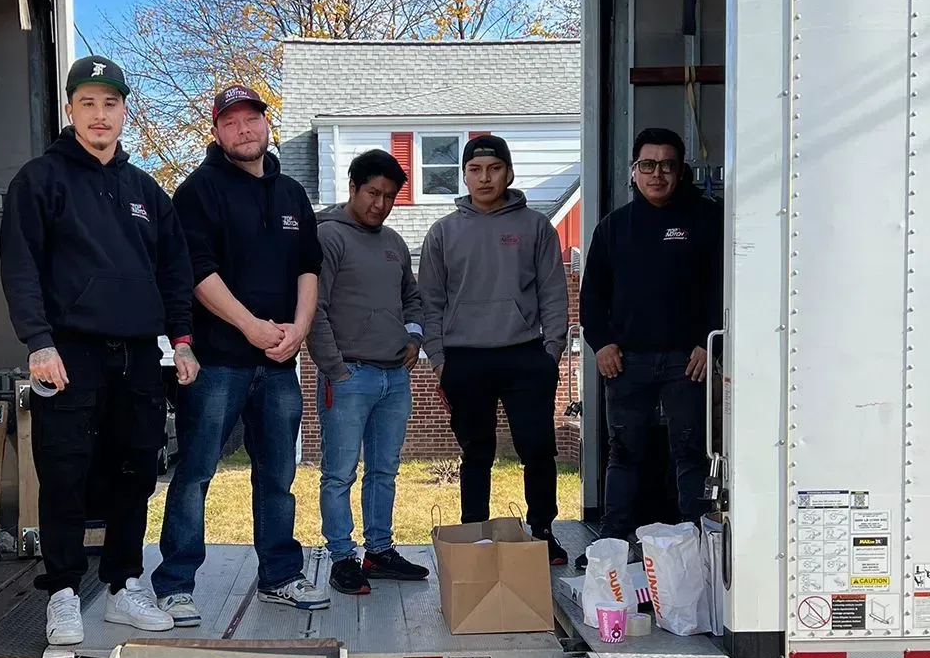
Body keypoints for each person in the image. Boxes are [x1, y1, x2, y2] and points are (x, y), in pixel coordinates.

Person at [0, 54, 197, 648]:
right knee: (64, 471)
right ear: (69, 109)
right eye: (87, 103)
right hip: (68, 353)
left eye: (110, 104)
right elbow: (20, 268)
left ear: (124, 111)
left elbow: (175, 272)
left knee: (134, 473)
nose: (100, 114)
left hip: (138, 354)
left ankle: (122, 586)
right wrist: (38, 342)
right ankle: (62, 591)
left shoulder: (145, 192)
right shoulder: (40, 180)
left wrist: (182, 341)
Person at [151, 85, 327, 621]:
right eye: (232, 123)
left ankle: (280, 574)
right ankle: (176, 581)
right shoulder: (198, 192)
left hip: (278, 364)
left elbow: (308, 268)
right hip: (219, 362)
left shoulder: (292, 194)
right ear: (217, 132)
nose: (244, 130)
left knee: (277, 475)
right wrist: (250, 327)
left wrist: (299, 329)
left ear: (267, 125)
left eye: (252, 119)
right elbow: (196, 272)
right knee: (197, 472)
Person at [419, 135, 570, 565]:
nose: (484, 178)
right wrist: (438, 358)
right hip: (465, 358)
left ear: (509, 172)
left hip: (526, 355)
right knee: (476, 452)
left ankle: (542, 530)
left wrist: (552, 351)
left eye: (493, 169)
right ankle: (475, 535)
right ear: (464, 176)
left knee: (537, 448)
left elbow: (553, 293)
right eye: (475, 170)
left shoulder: (535, 227)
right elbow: (430, 300)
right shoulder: (443, 232)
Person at [578, 127, 723, 547]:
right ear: (633, 172)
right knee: (623, 455)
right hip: (626, 361)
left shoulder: (707, 221)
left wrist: (707, 341)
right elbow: (592, 298)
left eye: (666, 165)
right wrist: (601, 343)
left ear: (681, 172)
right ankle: (612, 541)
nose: (656, 174)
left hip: (688, 361)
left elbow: (725, 287)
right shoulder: (613, 228)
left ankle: (695, 545)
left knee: (690, 454)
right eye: (647, 165)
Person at [308, 148, 428, 596]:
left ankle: (379, 551)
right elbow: (314, 310)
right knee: (339, 473)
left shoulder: (395, 244)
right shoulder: (329, 238)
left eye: (389, 196)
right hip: (349, 376)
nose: (380, 204)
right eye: (373, 193)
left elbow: (413, 300)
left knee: (385, 470)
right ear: (353, 187)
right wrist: (335, 369)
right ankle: (342, 556)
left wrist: (414, 339)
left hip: (394, 378)